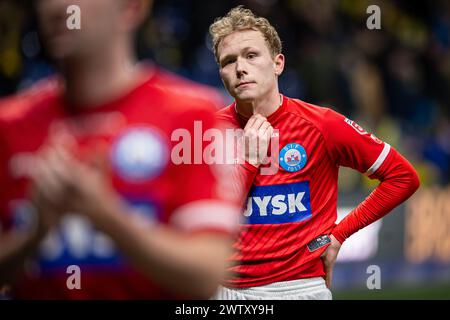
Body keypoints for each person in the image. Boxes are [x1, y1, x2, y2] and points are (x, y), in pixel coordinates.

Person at [0, 0, 241, 299]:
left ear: (132, 9)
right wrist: (34, 233)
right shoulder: (8, 125)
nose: (58, 7)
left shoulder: (192, 117)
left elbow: (208, 273)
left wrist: (106, 216)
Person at [209, 6, 420, 300]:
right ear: (221, 73)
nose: (240, 68)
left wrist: (339, 234)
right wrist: (250, 161)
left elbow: (402, 177)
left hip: (298, 288)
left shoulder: (322, 124)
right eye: (228, 61)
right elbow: (207, 218)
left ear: (278, 63)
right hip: (223, 290)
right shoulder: (206, 131)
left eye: (251, 55)